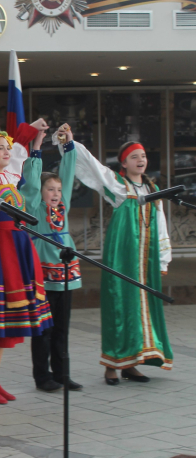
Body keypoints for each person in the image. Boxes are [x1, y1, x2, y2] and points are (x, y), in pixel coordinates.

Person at [68, 138, 172, 384]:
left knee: (140, 308)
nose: (141, 160)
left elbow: (162, 225)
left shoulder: (152, 190)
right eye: (134, 157)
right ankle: (112, 366)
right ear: (124, 163)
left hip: (145, 260)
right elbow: (93, 167)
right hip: (123, 257)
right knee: (120, 305)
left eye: (143, 156)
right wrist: (70, 143)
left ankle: (132, 363)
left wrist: (163, 260)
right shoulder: (118, 186)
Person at [0, 103, 53, 404]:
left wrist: (36, 130)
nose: (6, 152)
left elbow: (20, 149)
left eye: (6, 148)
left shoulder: (11, 178)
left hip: (18, 247)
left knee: (5, 319)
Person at [25, 124, 84, 393]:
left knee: (62, 328)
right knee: (44, 329)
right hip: (44, 272)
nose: (56, 194)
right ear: (41, 192)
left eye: (58, 190)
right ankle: (42, 376)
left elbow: (69, 175)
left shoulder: (64, 206)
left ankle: (62, 373)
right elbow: (32, 180)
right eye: (51, 189)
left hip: (65, 270)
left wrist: (68, 145)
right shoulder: (36, 206)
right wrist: (36, 148)